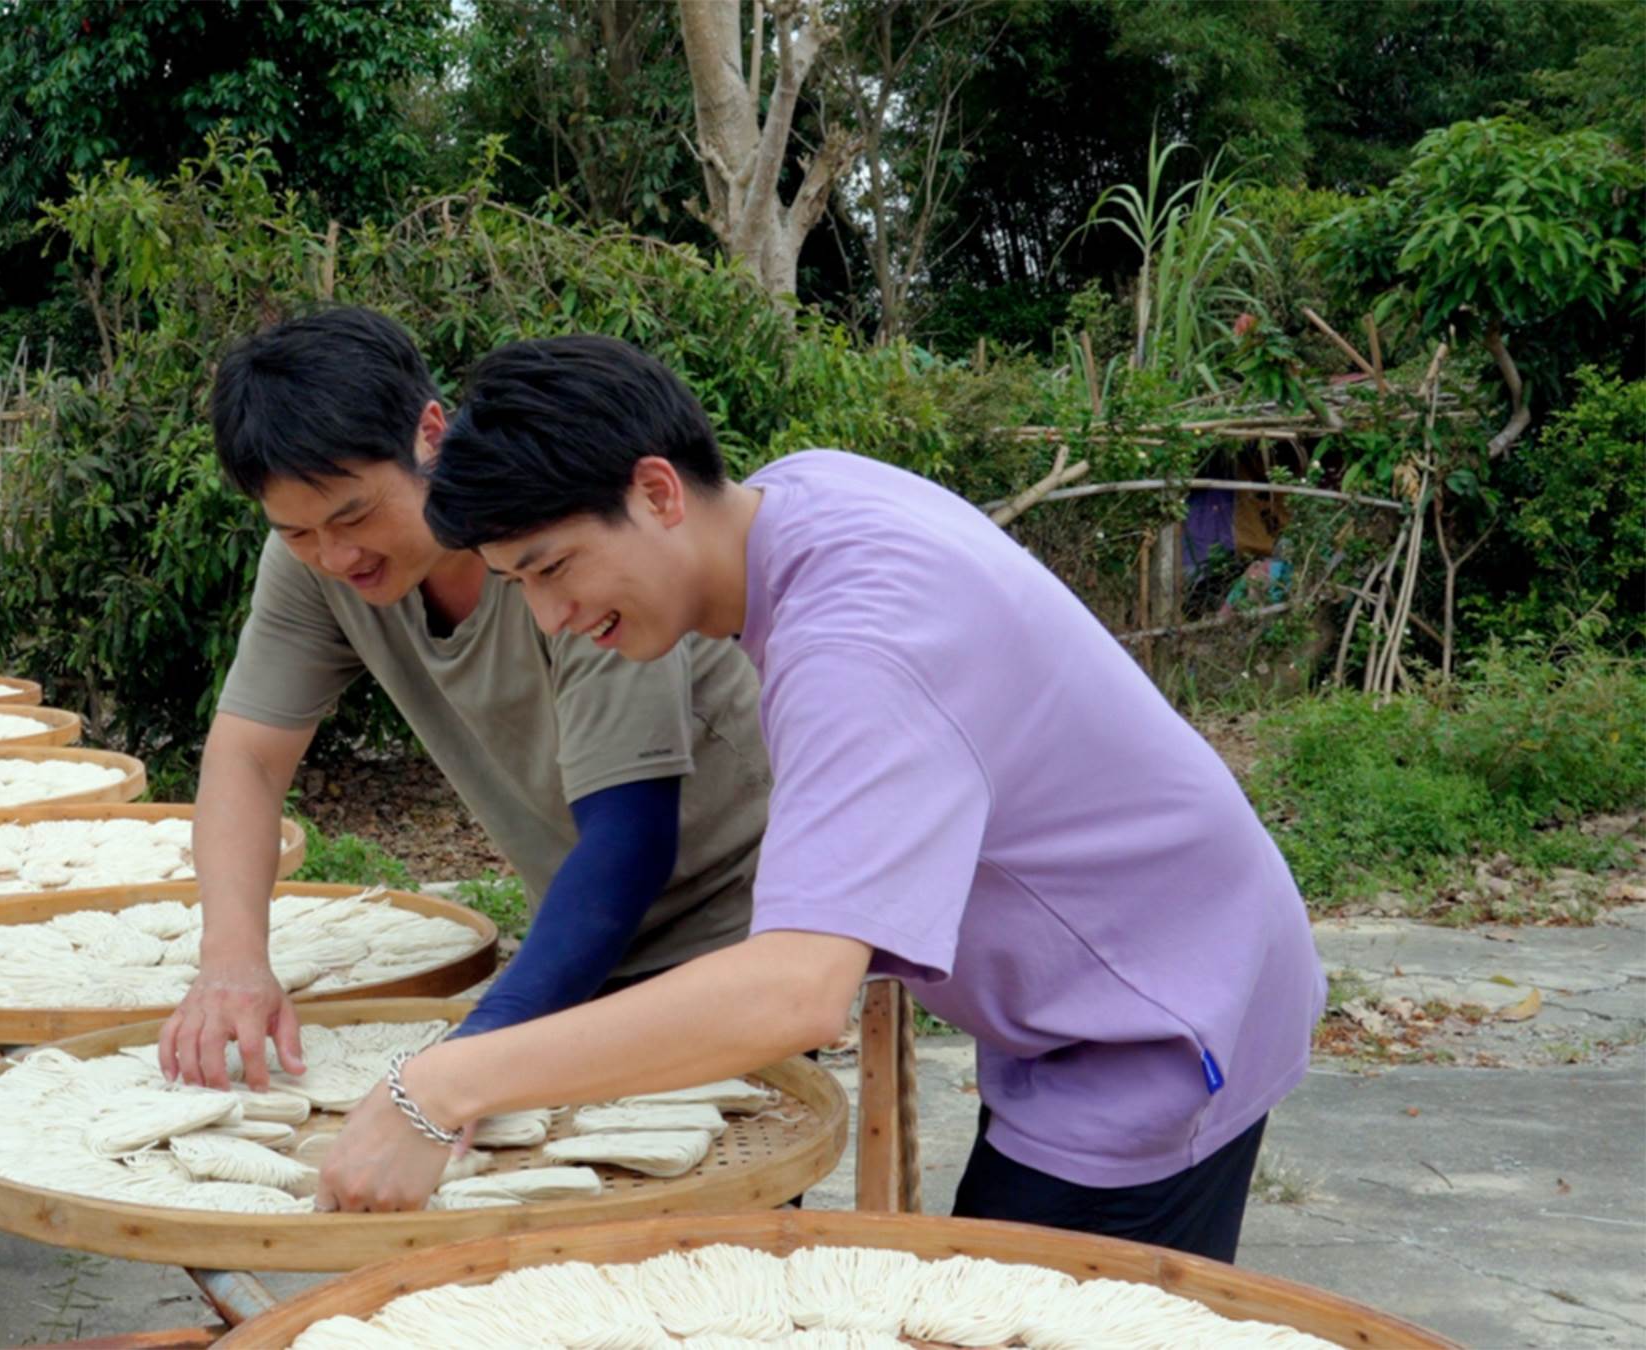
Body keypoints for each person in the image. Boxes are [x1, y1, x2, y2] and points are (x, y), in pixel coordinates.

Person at [314, 335, 1325, 1264]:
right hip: (1093, 989)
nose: (552, 615)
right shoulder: (798, 494)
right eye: (514, 582)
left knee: (1026, 1317)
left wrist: (440, 1087)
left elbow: (793, 993)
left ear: (658, 490)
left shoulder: (857, 646)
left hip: (1153, 1019)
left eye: (554, 567)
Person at [155, 309, 772, 1093]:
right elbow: (246, 755)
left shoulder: (556, 537)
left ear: (430, 432)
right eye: (299, 532)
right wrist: (233, 962)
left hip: (735, 930)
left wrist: (468, 1058)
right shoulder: (312, 561)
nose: (336, 556)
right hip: (574, 931)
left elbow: (630, 840)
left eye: (354, 514)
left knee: (698, 1205)